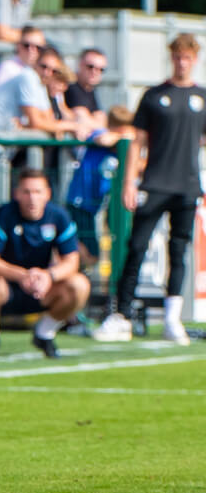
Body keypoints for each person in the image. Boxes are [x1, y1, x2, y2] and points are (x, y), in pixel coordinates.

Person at [95, 34, 206, 345]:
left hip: (186, 185)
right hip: (155, 182)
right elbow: (137, 142)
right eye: (177, 56)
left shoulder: (202, 97)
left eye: (187, 57)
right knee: (137, 246)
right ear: (171, 58)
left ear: (194, 59)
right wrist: (130, 181)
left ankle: (173, 317)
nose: (182, 62)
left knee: (178, 250)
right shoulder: (154, 95)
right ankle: (122, 315)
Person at [0, 169, 90, 358]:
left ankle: (44, 333)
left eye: (37, 192)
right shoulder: (3, 215)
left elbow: (72, 260)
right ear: (17, 193)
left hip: (43, 290)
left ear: (48, 194)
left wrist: (48, 276)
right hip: (6, 288)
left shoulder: (58, 216)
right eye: (26, 192)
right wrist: (22, 275)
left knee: (79, 284)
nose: (32, 198)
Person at [66, 105, 134, 267]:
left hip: (95, 205)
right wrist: (123, 136)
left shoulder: (116, 149)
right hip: (80, 201)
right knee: (88, 253)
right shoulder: (100, 135)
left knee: (96, 251)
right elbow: (103, 139)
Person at [0, 25, 46, 91]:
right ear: (18, 45)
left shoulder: (46, 71)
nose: (31, 50)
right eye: (26, 45)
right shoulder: (7, 68)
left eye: (38, 47)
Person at [66, 48, 109, 130]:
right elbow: (82, 119)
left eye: (101, 69)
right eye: (90, 67)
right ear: (80, 64)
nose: (95, 72)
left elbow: (102, 120)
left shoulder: (90, 90)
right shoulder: (71, 87)